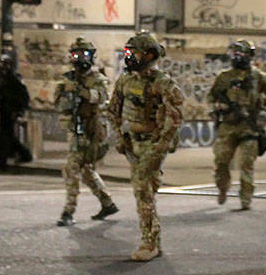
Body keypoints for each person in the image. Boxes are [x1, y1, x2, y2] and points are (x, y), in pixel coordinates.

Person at [107, 31, 184, 261]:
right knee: (147, 188)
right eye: (128, 52)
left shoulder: (162, 83)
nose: (129, 57)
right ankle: (154, 241)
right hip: (133, 143)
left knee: (141, 188)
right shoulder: (125, 81)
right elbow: (113, 110)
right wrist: (120, 136)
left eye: (134, 53)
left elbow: (175, 116)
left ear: (149, 55)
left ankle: (149, 243)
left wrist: (161, 146)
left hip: (153, 142)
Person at [52, 37, 118, 228]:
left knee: (72, 169)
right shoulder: (68, 78)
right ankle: (107, 203)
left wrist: (80, 91)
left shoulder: (98, 78)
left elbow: (100, 97)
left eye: (85, 54)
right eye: (76, 54)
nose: (80, 58)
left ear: (92, 57)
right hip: (75, 129)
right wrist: (66, 97)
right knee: (87, 171)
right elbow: (58, 101)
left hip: (92, 130)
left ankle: (68, 211)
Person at [208, 39, 266, 210]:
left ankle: (245, 198)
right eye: (234, 54)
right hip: (228, 125)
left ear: (249, 56)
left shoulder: (259, 78)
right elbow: (211, 97)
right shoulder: (224, 77)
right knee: (221, 160)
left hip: (249, 126)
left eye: (240, 54)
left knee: (246, 163)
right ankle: (222, 188)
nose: (236, 57)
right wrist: (218, 106)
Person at [0, 49, 33, 171]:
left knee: (4, 137)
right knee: (8, 136)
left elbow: (23, 96)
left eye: (5, 64)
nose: (3, 67)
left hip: (11, 111)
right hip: (3, 111)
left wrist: (19, 111)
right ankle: (24, 155)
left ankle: (2, 164)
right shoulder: (1, 78)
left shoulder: (14, 79)